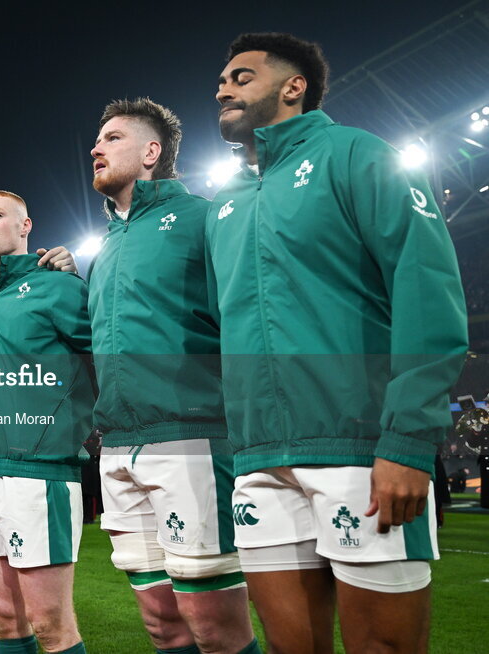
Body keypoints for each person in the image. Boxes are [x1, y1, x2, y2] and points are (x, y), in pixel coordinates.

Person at [209, 32, 468, 653]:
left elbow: (427, 295)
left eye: (241, 77)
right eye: (220, 81)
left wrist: (408, 440)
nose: (223, 88)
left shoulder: (359, 155)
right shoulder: (225, 202)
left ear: (293, 87)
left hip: (358, 449)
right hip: (257, 460)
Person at [86, 98, 258, 653]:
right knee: (162, 624)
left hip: (191, 439)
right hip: (117, 446)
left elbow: (243, 321)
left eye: (112, 138)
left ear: (152, 152)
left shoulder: (202, 219)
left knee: (215, 627)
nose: (96, 147)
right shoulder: (107, 244)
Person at [0, 190, 94, 654]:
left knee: (50, 624)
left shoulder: (58, 286)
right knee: (3, 620)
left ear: (26, 227)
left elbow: (104, 355)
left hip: (39, 472)